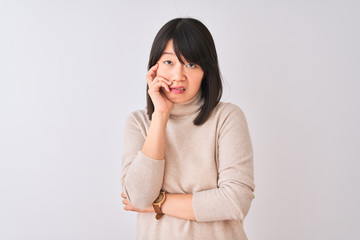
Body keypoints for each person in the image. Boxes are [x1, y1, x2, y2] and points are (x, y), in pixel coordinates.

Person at [121, 18, 255, 240]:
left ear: (206, 71)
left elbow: (235, 201)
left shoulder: (227, 118)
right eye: (169, 62)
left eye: (191, 64)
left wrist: (160, 202)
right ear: (154, 66)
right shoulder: (138, 122)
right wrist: (161, 115)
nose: (178, 75)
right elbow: (138, 197)